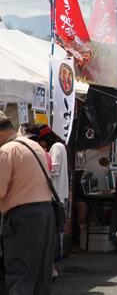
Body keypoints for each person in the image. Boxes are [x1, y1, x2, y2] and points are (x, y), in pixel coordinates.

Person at [0, 111, 56, 294]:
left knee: (20, 274)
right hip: (46, 213)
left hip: (24, 217)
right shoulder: (34, 145)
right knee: (41, 276)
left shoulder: (6, 151)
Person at [38, 124, 69, 205]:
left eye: (39, 141)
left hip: (56, 191)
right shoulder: (57, 146)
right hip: (56, 192)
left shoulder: (57, 146)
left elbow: (54, 168)